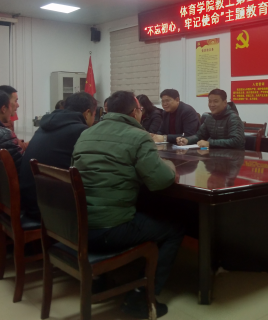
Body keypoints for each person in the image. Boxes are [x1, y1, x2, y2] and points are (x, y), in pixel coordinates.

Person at [72, 90, 184, 318]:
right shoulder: (138, 136)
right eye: (140, 110)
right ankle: (142, 298)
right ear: (134, 112)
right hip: (108, 231)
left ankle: (100, 281)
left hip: (78, 227)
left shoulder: (86, 133)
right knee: (174, 228)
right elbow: (160, 180)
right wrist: (170, 166)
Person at [19, 92, 97, 220]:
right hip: (51, 211)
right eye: (94, 115)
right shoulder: (81, 132)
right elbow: (92, 172)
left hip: (29, 201)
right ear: (87, 113)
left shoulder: (44, 126)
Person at [177, 89, 244, 149]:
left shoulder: (233, 118)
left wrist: (210, 143)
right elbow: (199, 136)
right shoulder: (210, 118)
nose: (212, 105)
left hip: (233, 155)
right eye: (210, 101)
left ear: (225, 103)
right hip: (214, 154)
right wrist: (187, 140)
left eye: (215, 101)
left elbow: (236, 141)